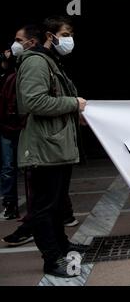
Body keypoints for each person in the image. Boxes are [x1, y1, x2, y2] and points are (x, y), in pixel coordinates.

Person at [15, 16, 88, 277]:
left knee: (56, 203)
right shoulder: (36, 62)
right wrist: (73, 105)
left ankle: (62, 246)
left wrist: (75, 113)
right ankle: (52, 258)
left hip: (56, 145)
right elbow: (34, 102)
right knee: (44, 205)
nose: (69, 39)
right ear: (50, 35)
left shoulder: (50, 62)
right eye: (65, 33)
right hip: (45, 148)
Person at [0, 25, 40, 220]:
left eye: (19, 40)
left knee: (30, 169)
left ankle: (34, 208)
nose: (15, 45)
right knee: (8, 168)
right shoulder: (8, 68)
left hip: (22, 125)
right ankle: (10, 204)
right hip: (6, 126)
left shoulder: (29, 65)